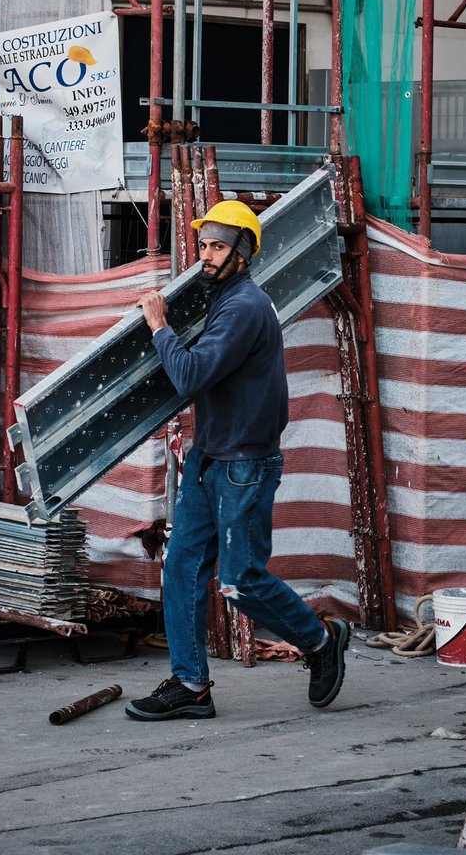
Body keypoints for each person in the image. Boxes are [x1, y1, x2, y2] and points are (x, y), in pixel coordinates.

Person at [125, 199, 349, 721]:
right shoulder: (222, 298)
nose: (206, 255)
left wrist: (159, 327)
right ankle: (190, 684)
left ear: (243, 254)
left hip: (243, 465)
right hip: (211, 457)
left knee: (239, 579)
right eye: (203, 244)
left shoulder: (243, 308)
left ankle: (320, 640)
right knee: (180, 568)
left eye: (219, 246)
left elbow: (191, 376)